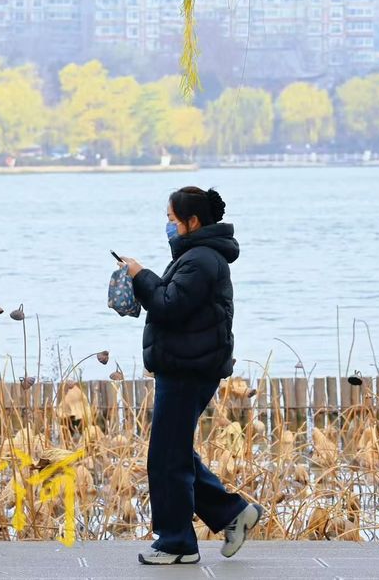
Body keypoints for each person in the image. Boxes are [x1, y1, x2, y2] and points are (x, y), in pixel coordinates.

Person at [117, 186, 263, 566]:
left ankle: (177, 543)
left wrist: (140, 275)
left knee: (168, 457)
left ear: (192, 221)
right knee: (174, 450)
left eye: (171, 219)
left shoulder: (200, 260)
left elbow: (169, 305)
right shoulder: (197, 256)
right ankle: (232, 513)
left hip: (188, 368)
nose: (167, 225)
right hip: (186, 365)